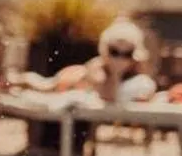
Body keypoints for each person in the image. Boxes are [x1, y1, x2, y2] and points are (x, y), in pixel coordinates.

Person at [13, 19, 159, 103]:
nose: (120, 58)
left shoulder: (136, 69)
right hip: (72, 79)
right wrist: (115, 73)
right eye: (115, 52)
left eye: (127, 53)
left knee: (44, 84)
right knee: (44, 85)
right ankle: (14, 80)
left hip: (79, 82)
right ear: (106, 51)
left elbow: (147, 90)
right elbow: (108, 96)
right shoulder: (99, 67)